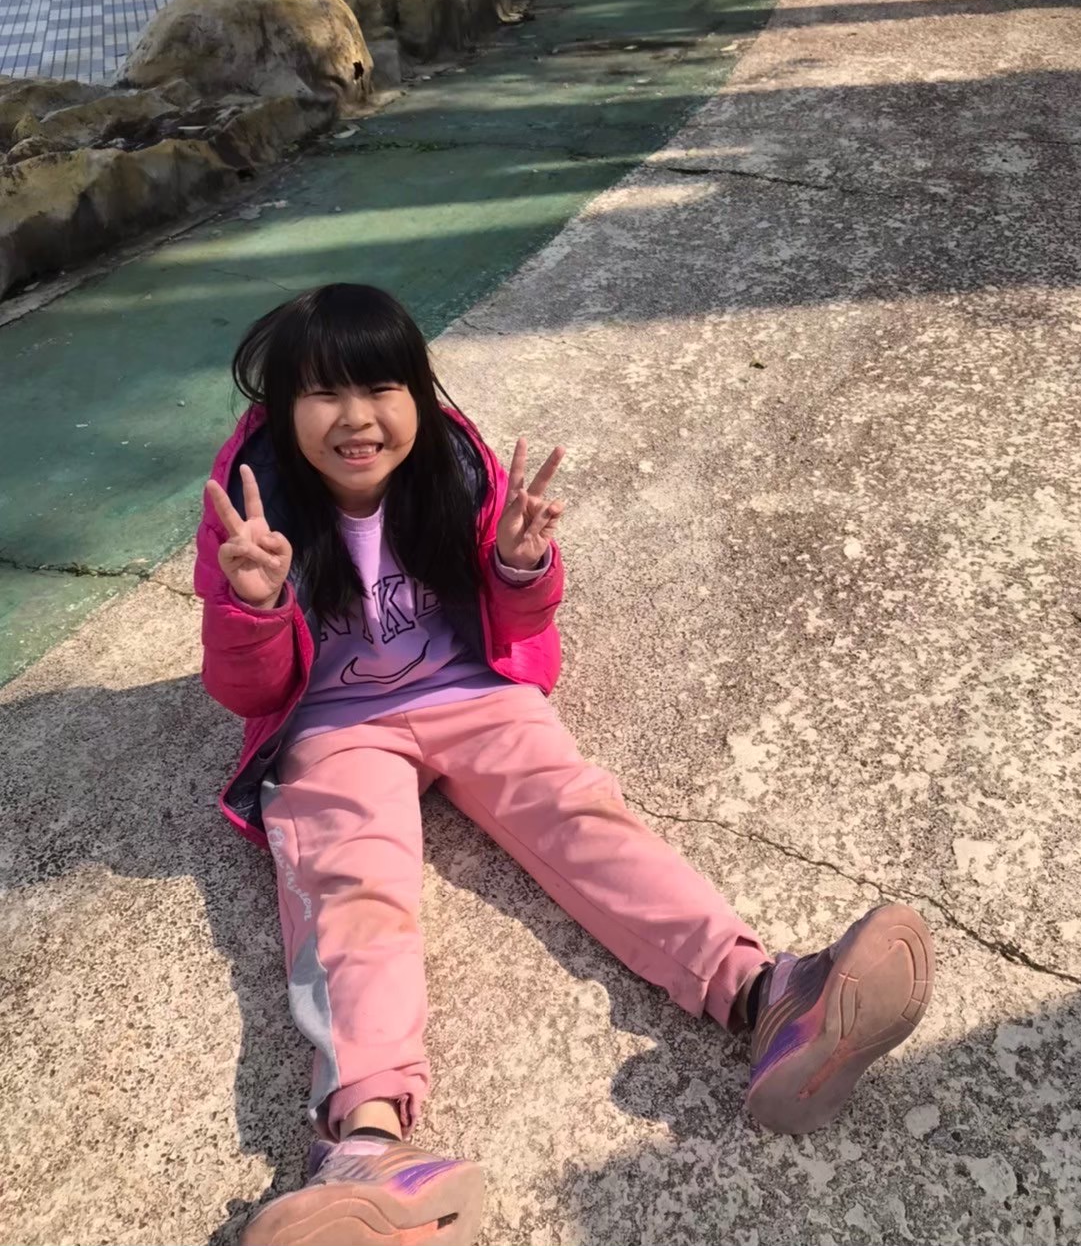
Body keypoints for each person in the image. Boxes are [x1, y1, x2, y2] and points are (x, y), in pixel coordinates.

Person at [195, 283, 935, 1246]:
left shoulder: (456, 471)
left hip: (472, 692)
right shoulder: (254, 510)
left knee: (581, 813)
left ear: (418, 392)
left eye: (379, 387)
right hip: (336, 726)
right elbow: (248, 692)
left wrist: (518, 565)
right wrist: (252, 605)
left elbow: (521, 618)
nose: (355, 418)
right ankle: (367, 1148)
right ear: (284, 409)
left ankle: (769, 997)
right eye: (323, 393)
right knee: (355, 886)